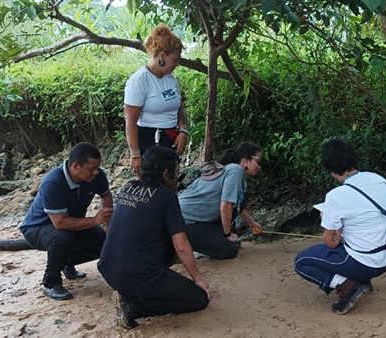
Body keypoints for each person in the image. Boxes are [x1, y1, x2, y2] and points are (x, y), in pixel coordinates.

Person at [98, 146, 212, 329]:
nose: (177, 179)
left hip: (108, 268)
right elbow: (181, 245)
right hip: (136, 275)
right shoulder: (166, 197)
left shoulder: (128, 187)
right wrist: (198, 279)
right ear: (166, 174)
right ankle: (133, 308)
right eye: (176, 173)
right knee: (198, 299)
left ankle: (132, 291)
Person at [294, 138, 386, 315]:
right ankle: (361, 280)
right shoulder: (378, 180)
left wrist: (327, 219)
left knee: (301, 262)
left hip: (365, 261)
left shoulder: (336, 196)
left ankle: (348, 285)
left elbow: (331, 242)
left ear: (331, 170)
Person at [20, 142, 113, 300]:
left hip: (69, 223)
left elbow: (106, 195)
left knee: (103, 239)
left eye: (97, 168)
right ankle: (50, 283)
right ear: (75, 166)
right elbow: (60, 223)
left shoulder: (96, 175)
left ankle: (67, 262)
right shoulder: (53, 182)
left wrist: (109, 227)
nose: (96, 172)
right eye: (91, 169)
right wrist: (95, 220)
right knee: (62, 238)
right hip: (38, 228)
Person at [178, 142, 264, 259]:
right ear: (245, 159)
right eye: (258, 161)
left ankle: (210, 239)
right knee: (229, 251)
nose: (259, 166)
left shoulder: (237, 175)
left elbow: (235, 204)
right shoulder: (235, 170)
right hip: (185, 220)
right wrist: (227, 235)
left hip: (197, 220)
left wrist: (252, 223)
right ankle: (184, 243)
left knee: (244, 198)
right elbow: (226, 205)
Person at [124, 23, 190, 176]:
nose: (177, 64)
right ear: (162, 56)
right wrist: (135, 154)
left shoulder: (171, 79)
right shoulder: (139, 81)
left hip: (170, 139)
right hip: (150, 141)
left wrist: (183, 131)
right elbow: (130, 121)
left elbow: (180, 109)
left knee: (171, 182)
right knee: (153, 185)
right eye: (175, 59)